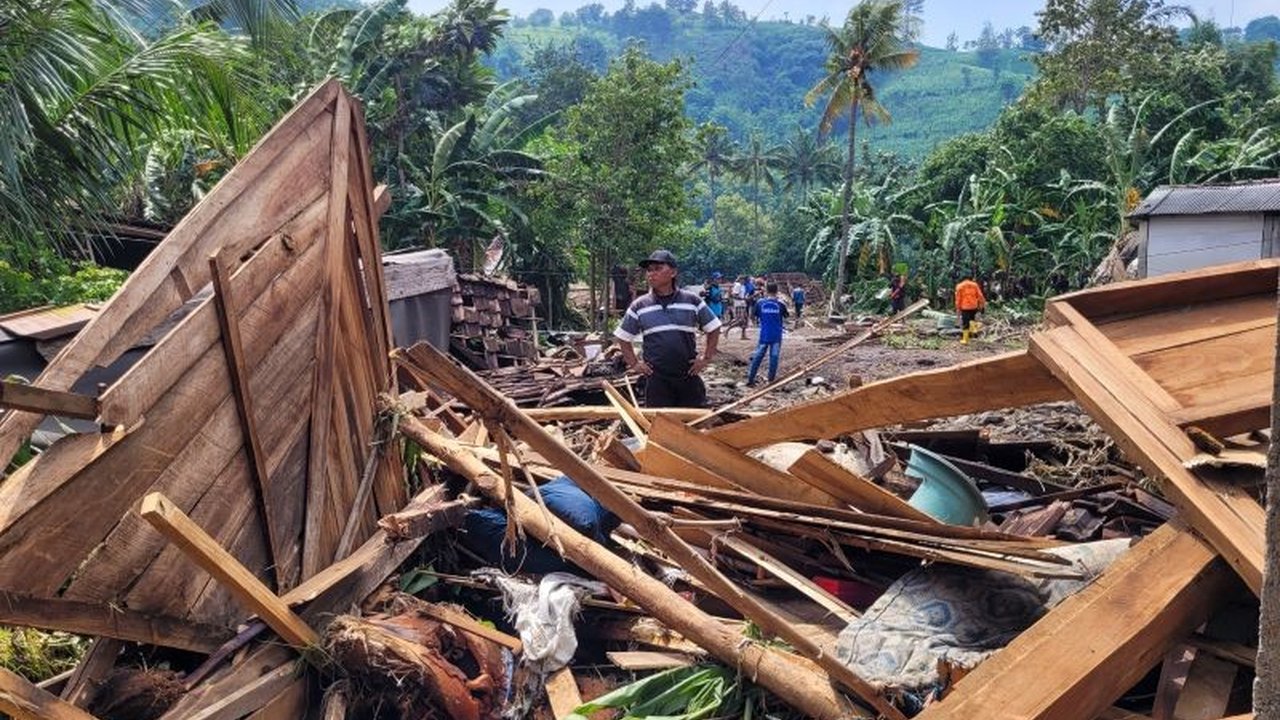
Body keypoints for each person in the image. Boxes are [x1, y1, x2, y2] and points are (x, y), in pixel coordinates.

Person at [614, 249, 722, 407]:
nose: (651, 274)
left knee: (692, 423)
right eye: (649, 270)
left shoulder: (691, 301)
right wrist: (635, 364)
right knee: (661, 424)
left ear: (673, 272)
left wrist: (705, 358)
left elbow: (713, 327)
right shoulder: (640, 305)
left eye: (658, 269)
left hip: (687, 375)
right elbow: (623, 336)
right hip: (657, 379)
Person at [747, 282, 789, 387]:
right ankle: (771, 380)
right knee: (774, 357)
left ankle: (750, 379)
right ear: (777, 290)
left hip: (764, 334)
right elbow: (786, 316)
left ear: (766, 290)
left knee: (757, 357)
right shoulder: (781, 304)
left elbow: (752, 315)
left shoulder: (760, 303)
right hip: (776, 334)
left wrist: (758, 323)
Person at [954, 274, 986, 344]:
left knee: (965, 323)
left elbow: (958, 299)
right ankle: (973, 333)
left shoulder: (960, 286)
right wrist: (982, 304)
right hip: (973, 306)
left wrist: (958, 308)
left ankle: (965, 340)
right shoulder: (974, 285)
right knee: (972, 320)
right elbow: (980, 296)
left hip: (965, 307)